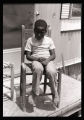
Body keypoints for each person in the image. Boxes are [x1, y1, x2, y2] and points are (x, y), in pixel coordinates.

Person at [25, 19, 59, 107]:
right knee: (38, 68)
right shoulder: (30, 40)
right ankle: (34, 94)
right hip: (36, 60)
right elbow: (28, 56)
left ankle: (55, 93)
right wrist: (37, 58)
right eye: (37, 32)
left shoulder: (49, 40)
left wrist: (47, 60)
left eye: (42, 32)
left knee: (52, 71)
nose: (39, 35)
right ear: (34, 30)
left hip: (48, 60)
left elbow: (53, 55)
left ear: (45, 32)